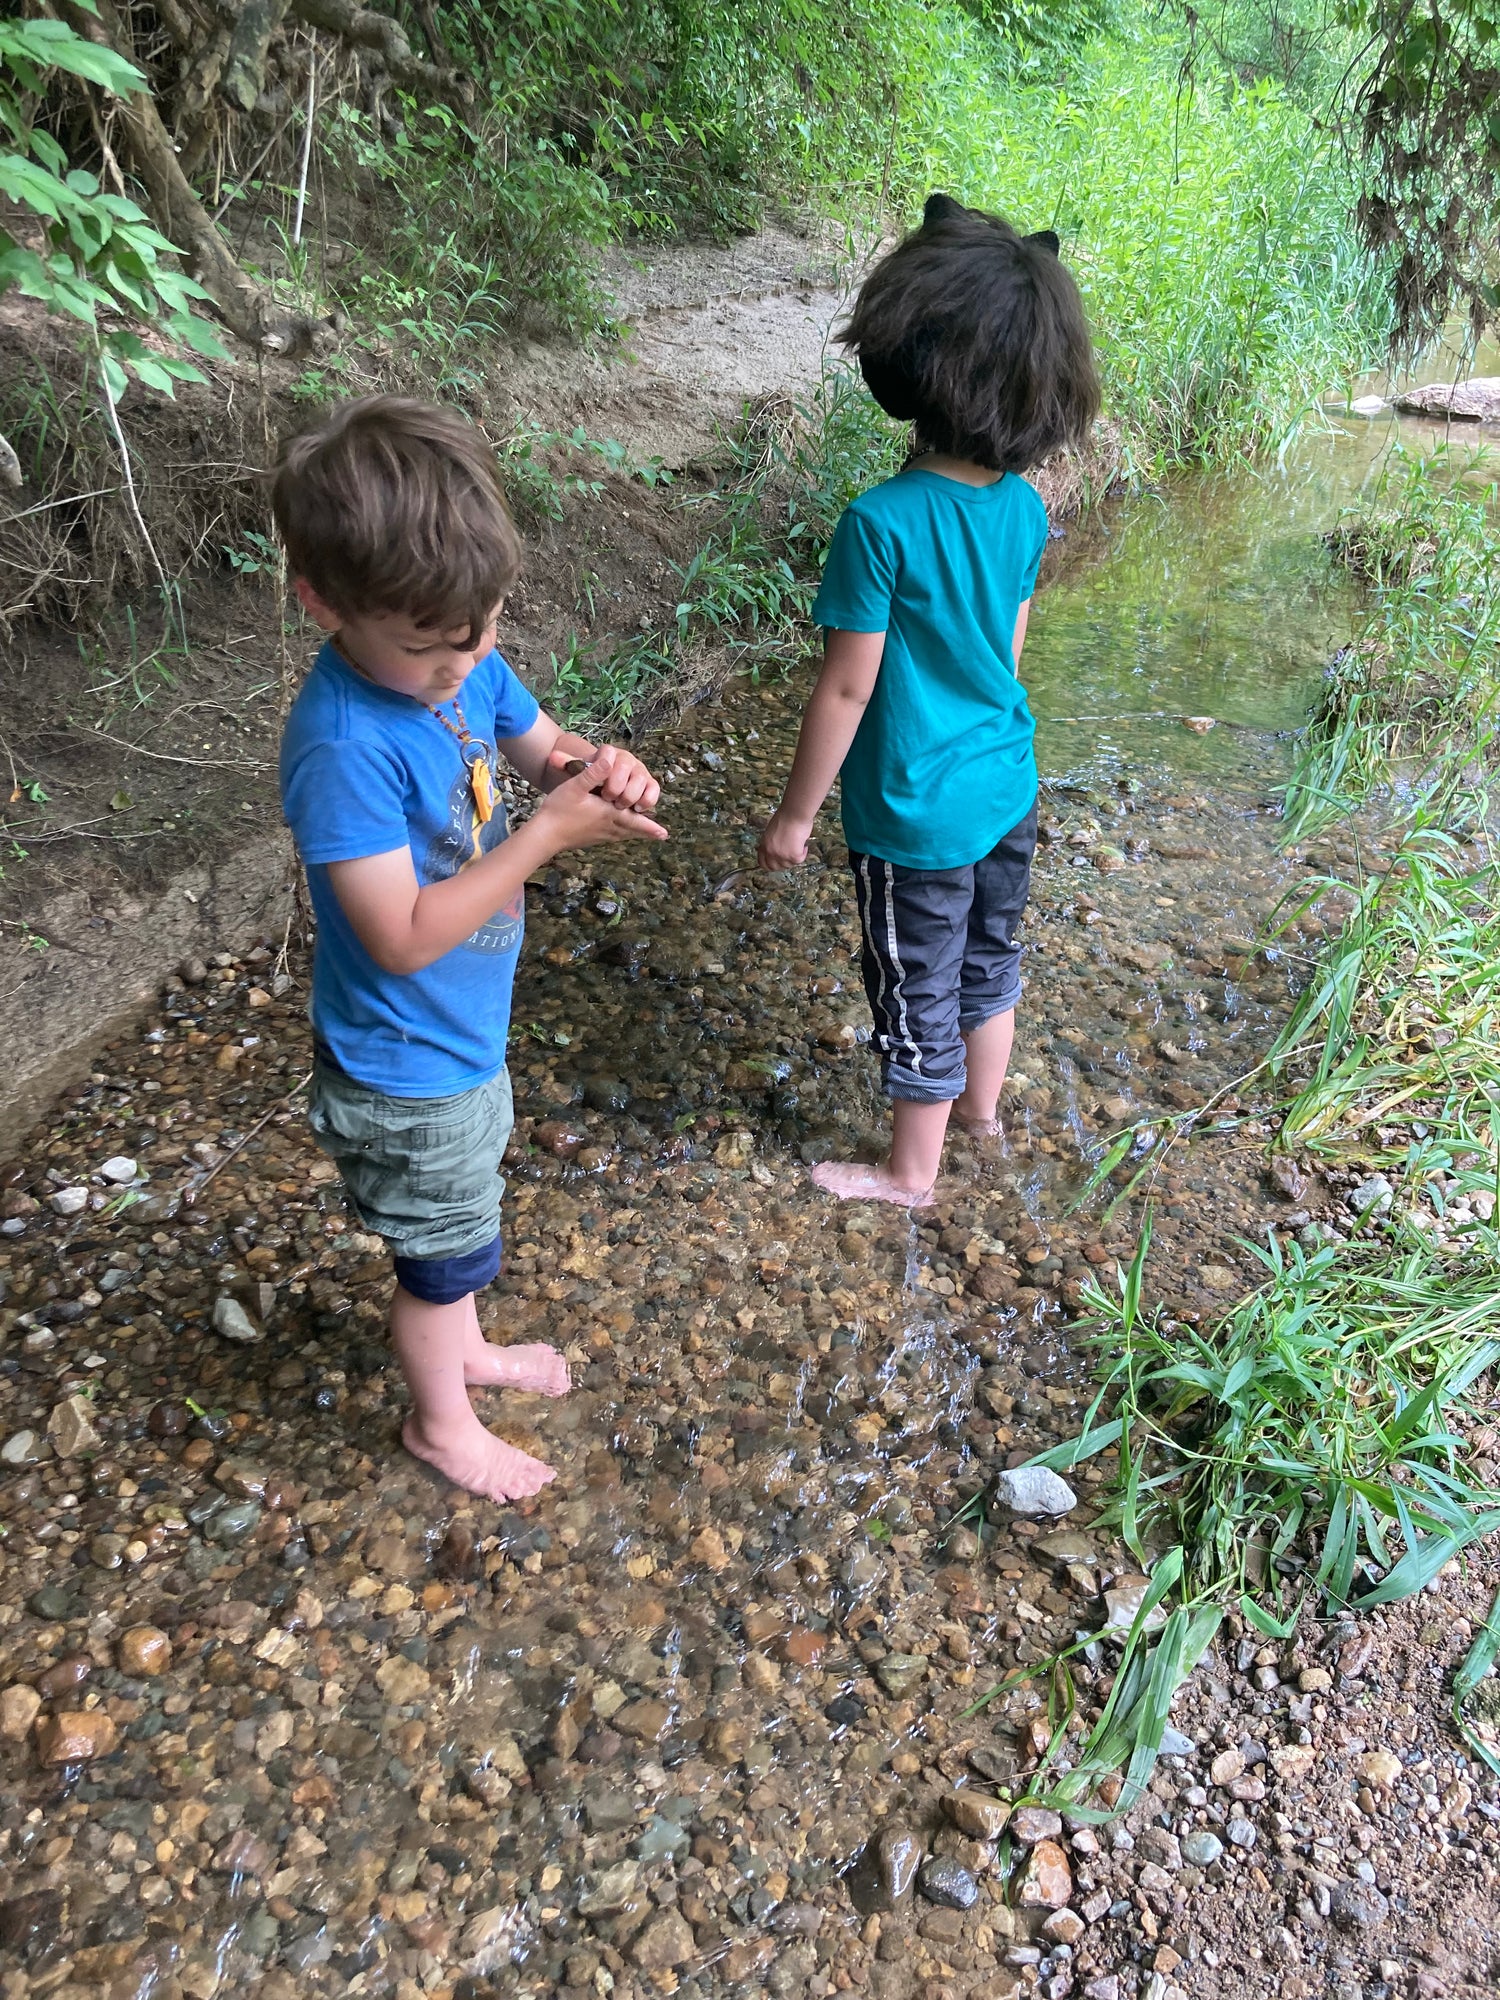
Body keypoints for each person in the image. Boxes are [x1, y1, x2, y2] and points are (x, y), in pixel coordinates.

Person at [273, 396, 668, 1501]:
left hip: (462, 1033)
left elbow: (543, 748)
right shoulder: (344, 743)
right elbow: (397, 938)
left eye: (482, 631)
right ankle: (442, 1424)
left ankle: (468, 1347)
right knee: (438, 1258)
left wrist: (597, 769)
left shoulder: (461, 653)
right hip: (403, 1059)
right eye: (430, 650)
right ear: (326, 604)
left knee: (463, 1221)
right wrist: (547, 837)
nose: (465, 666)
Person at [757, 194, 1099, 1205]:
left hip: (914, 814)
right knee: (990, 960)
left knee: (913, 987)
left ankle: (911, 1172)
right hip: (1006, 782)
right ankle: (981, 1117)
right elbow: (1006, 653)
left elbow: (850, 684)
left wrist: (797, 812)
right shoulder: (1028, 507)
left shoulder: (881, 522)